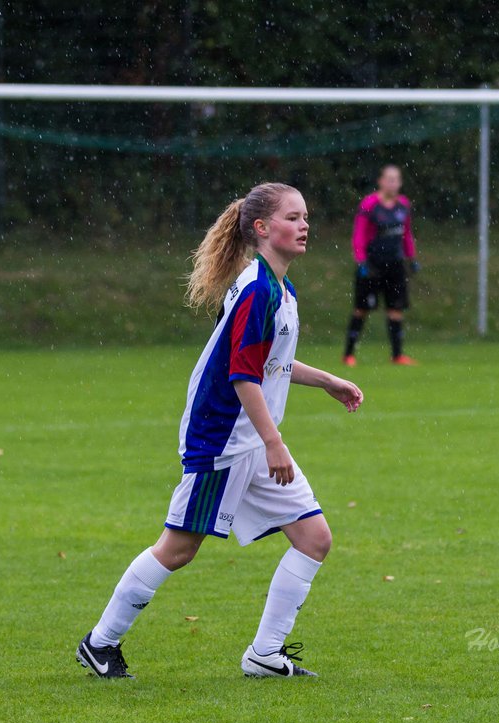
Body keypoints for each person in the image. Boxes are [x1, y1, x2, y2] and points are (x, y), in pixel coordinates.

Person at [76, 182, 364, 679]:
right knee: (179, 548)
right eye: (293, 217)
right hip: (223, 438)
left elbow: (272, 363)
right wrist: (274, 441)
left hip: (253, 436)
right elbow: (241, 374)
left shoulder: (278, 287)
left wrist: (327, 381)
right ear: (261, 228)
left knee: (314, 538)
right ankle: (100, 643)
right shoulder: (257, 290)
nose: (304, 225)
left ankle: (264, 655)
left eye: (306, 216)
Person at [344, 164, 419, 366]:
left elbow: (406, 235)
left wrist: (411, 259)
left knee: (395, 309)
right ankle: (349, 354)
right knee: (362, 309)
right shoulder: (369, 205)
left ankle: (397, 355)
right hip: (372, 265)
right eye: (389, 179)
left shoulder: (403, 205)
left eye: (397, 179)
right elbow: (359, 235)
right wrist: (361, 261)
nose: (393, 183)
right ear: (381, 181)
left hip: (395, 264)